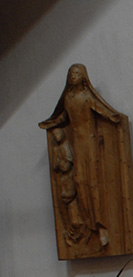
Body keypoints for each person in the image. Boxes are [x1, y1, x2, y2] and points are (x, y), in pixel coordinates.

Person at [39, 64, 121, 251]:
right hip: (77, 144)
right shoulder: (69, 98)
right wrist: (51, 123)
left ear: (83, 76)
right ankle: (90, 226)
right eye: (71, 74)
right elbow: (63, 118)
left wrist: (112, 117)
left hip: (89, 144)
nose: (73, 76)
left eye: (76, 73)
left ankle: (102, 227)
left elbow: (101, 109)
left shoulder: (86, 97)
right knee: (80, 182)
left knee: (93, 183)